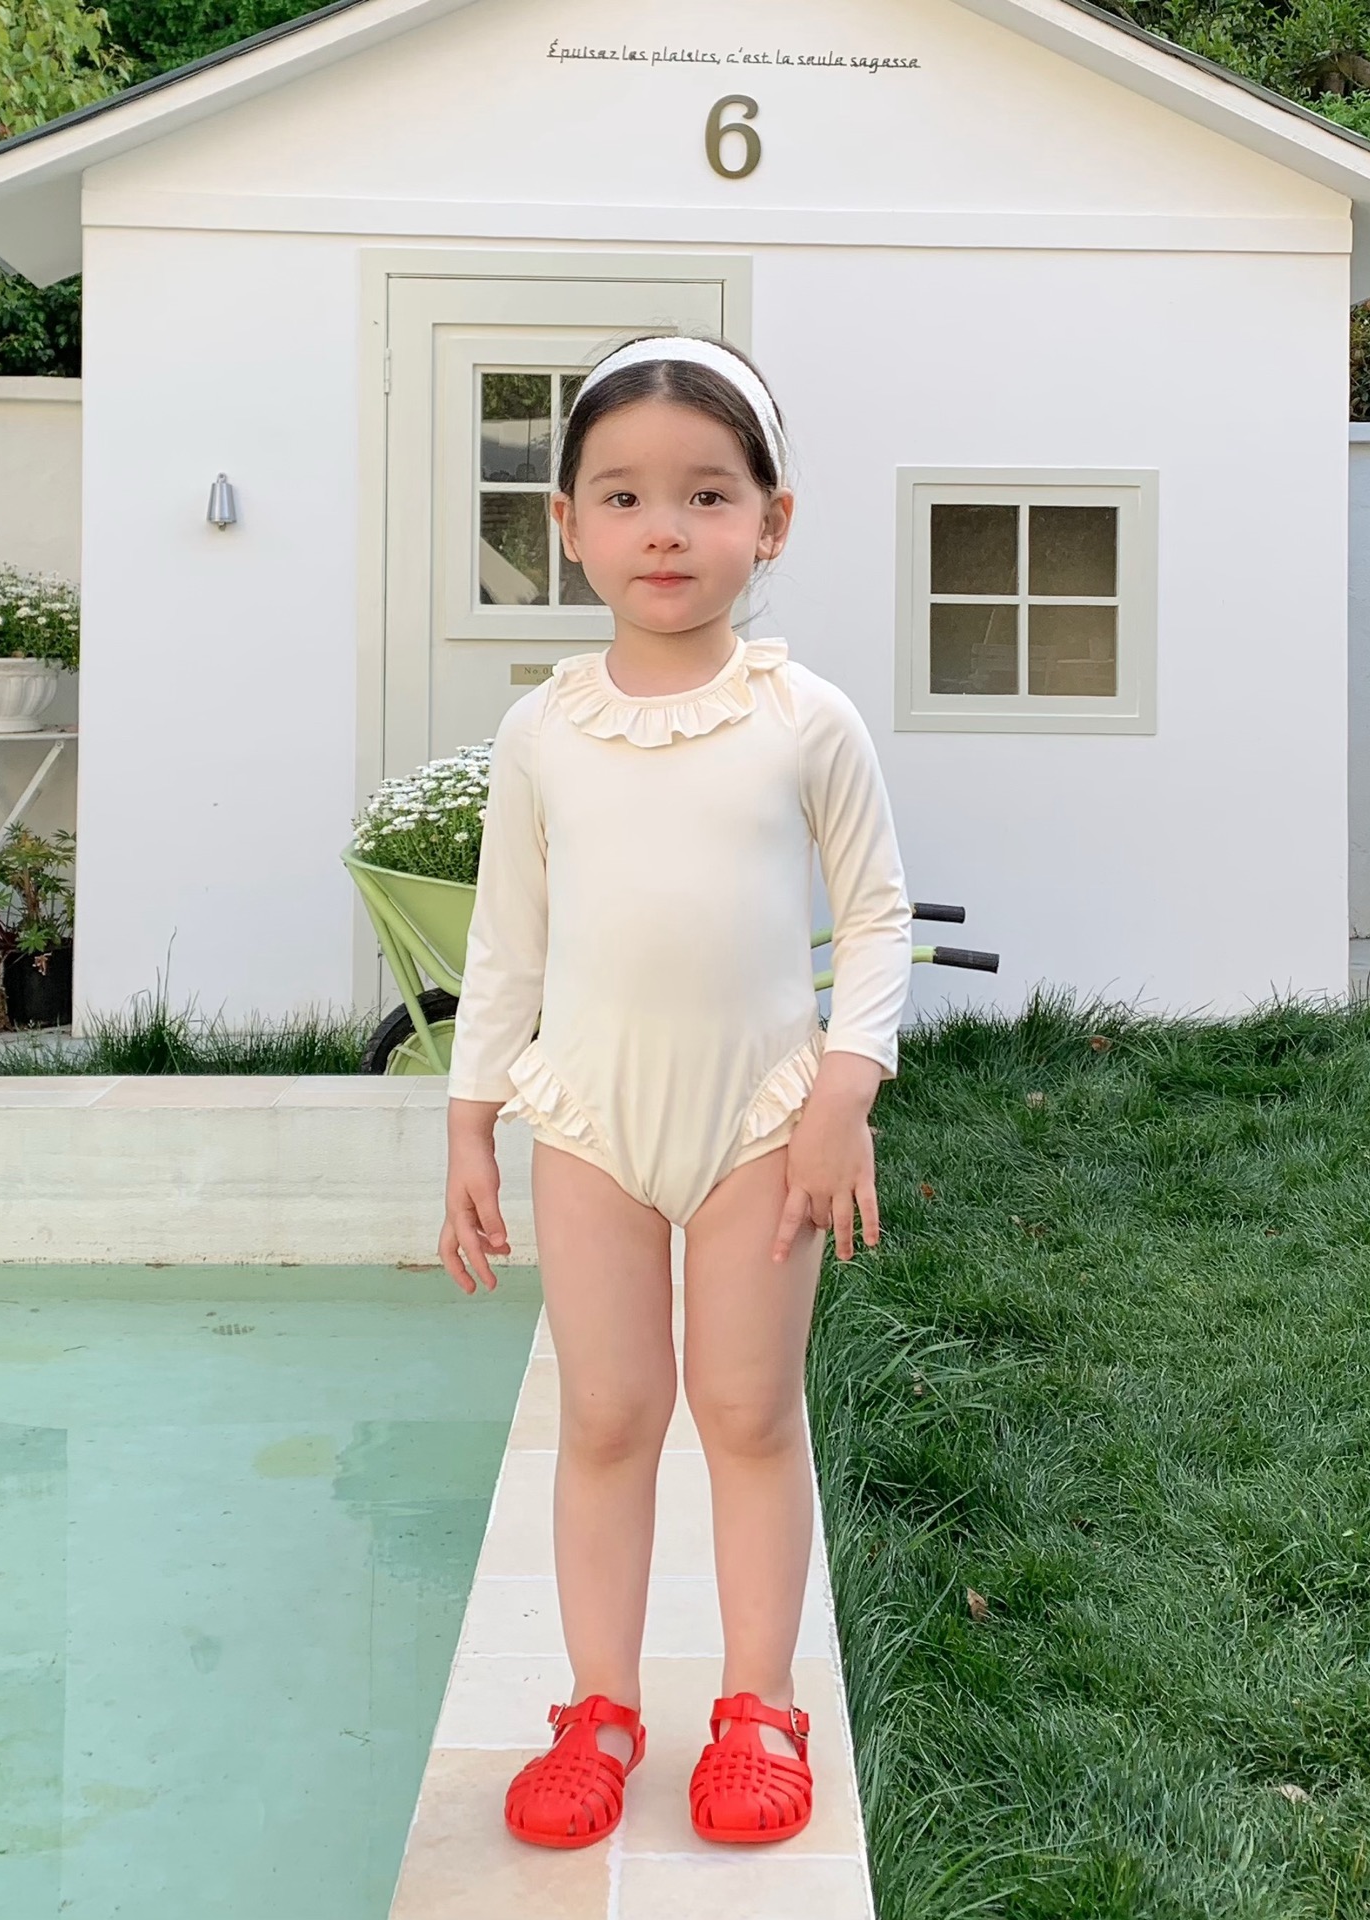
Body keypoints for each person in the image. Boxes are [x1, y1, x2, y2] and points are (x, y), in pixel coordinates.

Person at [439, 334, 914, 1850]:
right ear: (566, 523)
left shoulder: (803, 717)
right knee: (609, 1416)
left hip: (762, 1125)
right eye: (624, 496)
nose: (665, 530)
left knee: (748, 1412)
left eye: (708, 495)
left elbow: (878, 915)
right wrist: (470, 1119)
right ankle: (599, 1708)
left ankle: (759, 1704)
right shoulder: (542, 732)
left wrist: (845, 1088)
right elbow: (507, 938)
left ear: (772, 521)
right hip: (589, 1125)